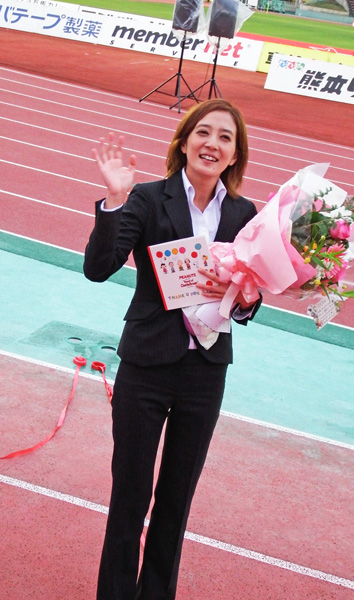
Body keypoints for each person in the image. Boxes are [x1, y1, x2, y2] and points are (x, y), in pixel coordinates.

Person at [84, 98, 262, 600]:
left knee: (176, 499)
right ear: (184, 142)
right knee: (131, 494)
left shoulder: (245, 215)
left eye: (225, 137)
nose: (212, 144)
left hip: (205, 371)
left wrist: (247, 299)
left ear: (235, 155)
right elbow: (99, 268)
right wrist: (115, 200)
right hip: (146, 366)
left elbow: (249, 299)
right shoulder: (145, 198)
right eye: (203, 132)